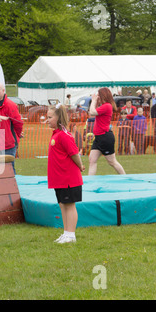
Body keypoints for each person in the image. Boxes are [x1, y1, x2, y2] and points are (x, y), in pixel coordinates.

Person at [45, 104, 85, 244]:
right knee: (63, 204)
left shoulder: (64, 135)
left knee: (69, 205)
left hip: (69, 178)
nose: (47, 120)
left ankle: (71, 235)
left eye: (50, 117)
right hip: (60, 178)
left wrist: (80, 166)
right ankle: (66, 232)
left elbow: (74, 153)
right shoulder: (56, 134)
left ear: (58, 118)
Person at [88, 87, 126, 175]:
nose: (98, 97)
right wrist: (95, 101)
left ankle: (124, 177)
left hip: (105, 138)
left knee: (112, 162)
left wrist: (93, 100)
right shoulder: (103, 106)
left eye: (99, 95)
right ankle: (90, 181)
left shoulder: (107, 106)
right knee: (92, 160)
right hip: (99, 137)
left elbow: (92, 112)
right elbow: (93, 111)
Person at [0, 82, 23, 174]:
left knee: (9, 167)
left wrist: (16, 135)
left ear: (3, 91)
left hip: (8, 141)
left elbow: (18, 123)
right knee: (1, 167)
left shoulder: (10, 105)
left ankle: (15, 185)